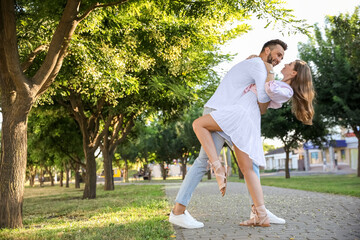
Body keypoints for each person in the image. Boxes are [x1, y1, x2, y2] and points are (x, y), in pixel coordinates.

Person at [169, 39, 288, 229]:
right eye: (278, 54)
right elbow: (263, 99)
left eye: (282, 57)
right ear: (267, 50)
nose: (280, 59)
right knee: (203, 162)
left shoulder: (254, 63)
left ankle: (259, 210)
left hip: (229, 117)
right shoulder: (259, 65)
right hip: (220, 114)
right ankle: (178, 212)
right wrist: (270, 72)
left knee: (251, 163)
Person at [192, 59, 315, 227]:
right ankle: (261, 215)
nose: (285, 63)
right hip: (246, 115)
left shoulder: (286, 91)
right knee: (247, 169)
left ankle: (217, 166)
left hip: (242, 113)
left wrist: (268, 69)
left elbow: (268, 90)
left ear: (294, 73)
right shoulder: (278, 83)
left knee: (198, 124)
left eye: (290, 64)